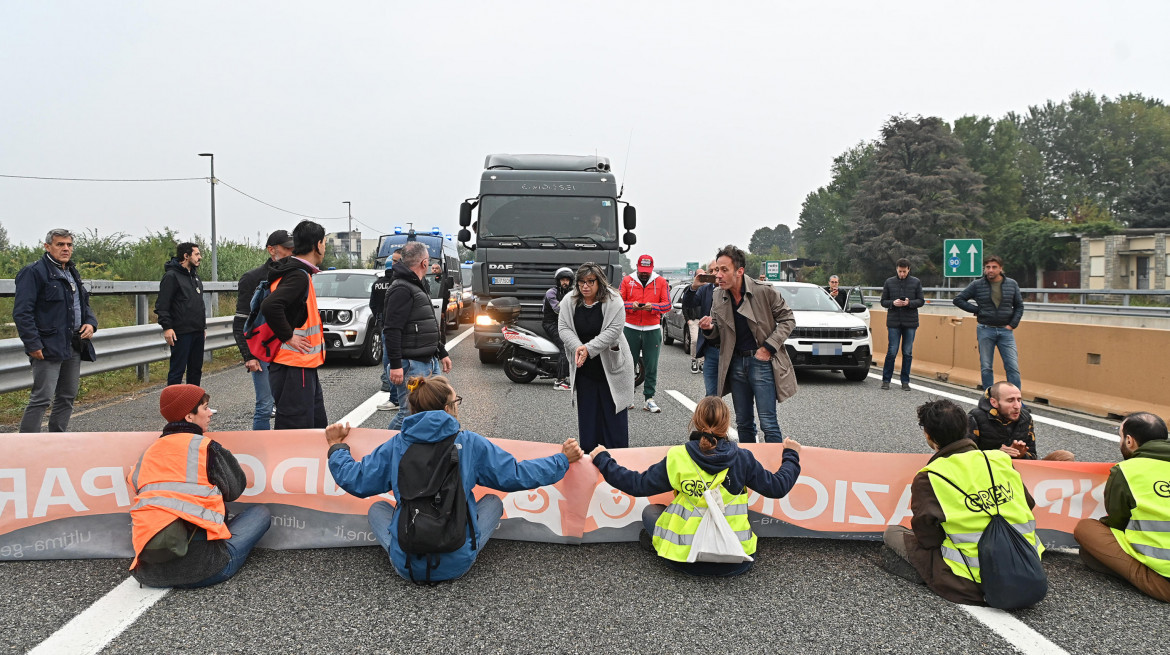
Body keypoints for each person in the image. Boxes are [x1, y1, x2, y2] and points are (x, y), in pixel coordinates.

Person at [326, 375, 583, 583]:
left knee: (378, 508)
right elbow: (517, 475)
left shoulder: (395, 446)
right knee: (492, 501)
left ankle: (406, 546)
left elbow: (356, 480)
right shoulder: (468, 443)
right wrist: (561, 459)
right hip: (459, 561)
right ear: (447, 408)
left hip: (407, 566)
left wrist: (337, 446)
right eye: (456, 400)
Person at [590, 396, 801, 577]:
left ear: (695, 422)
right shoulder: (742, 458)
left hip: (683, 560)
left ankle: (659, 543)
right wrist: (791, 454)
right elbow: (778, 487)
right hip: (737, 560)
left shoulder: (678, 456)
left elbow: (636, 485)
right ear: (726, 425)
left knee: (651, 512)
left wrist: (603, 459)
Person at [880, 399, 1043, 606]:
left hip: (973, 583)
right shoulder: (999, 460)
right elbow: (1028, 504)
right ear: (966, 428)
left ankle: (928, 575)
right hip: (1028, 565)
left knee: (893, 533)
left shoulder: (931, 476)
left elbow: (928, 538)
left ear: (928, 435)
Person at [127, 384, 271, 588]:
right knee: (260, 513)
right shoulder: (205, 448)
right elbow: (235, 489)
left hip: (149, 574)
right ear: (189, 417)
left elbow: (136, 485)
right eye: (205, 408)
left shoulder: (147, 454)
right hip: (207, 570)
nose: (210, 413)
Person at [698, 244, 796, 443]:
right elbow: (718, 333)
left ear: (739, 271)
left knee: (768, 422)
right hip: (735, 363)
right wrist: (709, 329)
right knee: (743, 422)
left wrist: (768, 348)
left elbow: (788, 319)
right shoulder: (719, 295)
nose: (719, 275)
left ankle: (775, 469)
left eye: (725, 270)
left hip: (761, 362)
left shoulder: (764, 291)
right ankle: (749, 467)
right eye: (717, 270)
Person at [1074, 412, 1170, 603]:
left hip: (1164, 578)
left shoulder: (1127, 470)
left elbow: (1117, 522)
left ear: (1129, 441)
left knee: (1087, 532)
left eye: (1120, 437)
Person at [14, 228, 97, 433]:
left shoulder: (71, 271)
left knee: (67, 396)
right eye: (60, 244)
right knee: (42, 398)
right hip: (48, 345)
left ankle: (56, 442)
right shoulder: (34, 272)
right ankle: (26, 446)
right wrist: (33, 344)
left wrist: (90, 322)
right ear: (47, 246)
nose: (66, 249)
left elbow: (83, 304)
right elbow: (22, 312)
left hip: (74, 343)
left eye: (69, 245)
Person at [559, 262, 636, 451]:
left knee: (614, 420)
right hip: (585, 369)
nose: (585, 286)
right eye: (581, 282)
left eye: (590, 282)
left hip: (612, 368)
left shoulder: (613, 299)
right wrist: (578, 347)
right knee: (588, 420)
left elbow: (614, 330)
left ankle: (617, 463)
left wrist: (589, 349)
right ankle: (590, 459)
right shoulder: (569, 301)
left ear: (599, 282)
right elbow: (564, 328)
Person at [260, 220, 328, 429]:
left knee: (314, 425)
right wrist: (288, 336)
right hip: (293, 364)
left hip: (300, 364)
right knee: (297, 429)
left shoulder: (298, 272)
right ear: (317, 244)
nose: (324, 247)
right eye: (324, 242)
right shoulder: (297, 275)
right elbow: (270, 305)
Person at [383, 241, 453, 431]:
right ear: (424, 263)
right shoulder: (402, 288)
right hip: (412, 365)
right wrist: (396, 365)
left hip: (428, 361)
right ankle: (385, 450)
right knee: (409, 414)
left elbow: (424, 325)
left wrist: (441, 352)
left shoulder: (417, 285)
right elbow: (392, 329)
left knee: (437, 407)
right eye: (428, 261)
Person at [231, 230, 294, 430]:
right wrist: (249, 355)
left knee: (290, 406)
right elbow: (241, 320)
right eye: (286, 248)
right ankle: (261, 451)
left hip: (289, 349)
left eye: (293, 248)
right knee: (265, 406)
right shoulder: (252, 278)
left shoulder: (295, 276)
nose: (291, 252)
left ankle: (286, 449)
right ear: (271, 250)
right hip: (262, 352)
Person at [953, 255, 1024, 391]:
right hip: (985, 330)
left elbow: (1019, 306)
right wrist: (977, 310)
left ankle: (1016, 400)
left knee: (1012, 367)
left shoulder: (1012, 284)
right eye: (988, 267)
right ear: (984, 269)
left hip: (1006, 331)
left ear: (1001, 268)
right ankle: (989, 397)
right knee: (986, 366)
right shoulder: (977, 284)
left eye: (994, 267)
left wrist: (1012, 325)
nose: (990, 270)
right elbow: (958, 299)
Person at [968, 382, 1074, 461]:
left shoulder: (1026, 418)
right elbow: (962, 457)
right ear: (994, 402)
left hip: (1019, 472)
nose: (1017, 406)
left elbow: (1033, 456)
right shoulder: (975, 418)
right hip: (988, 474)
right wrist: (997, 454)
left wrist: (1022, 455)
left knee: (1065, 457)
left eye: (1019, 400)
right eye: (1010, 400)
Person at [619, 254, 670, 413]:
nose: (644, 273)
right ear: (637, 266)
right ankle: (628, 398)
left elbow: (667, 304)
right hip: (630, 326)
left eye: (647, 271)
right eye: (641, 270)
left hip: (652, 328)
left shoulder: (661, 282)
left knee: (651, 365)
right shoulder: (627, 280)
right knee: (628, 364)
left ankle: (649, 398)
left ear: (652, 268)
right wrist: (631, 305)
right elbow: (619, 302)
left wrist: (653, 307)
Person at [155, 242, 206, 386]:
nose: (199, 257)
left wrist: (203, 327)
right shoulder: (171, 276)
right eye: (196, 254)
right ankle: (174, 407)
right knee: (177, 370)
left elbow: (199, 303)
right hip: (181, 332)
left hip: (197, 330)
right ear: (186, 256)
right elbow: (162, 305)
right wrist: (167, 327)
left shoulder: (195, 276)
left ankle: (194, 406)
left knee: (196, 370)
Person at [879, 258, 925, 391]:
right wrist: (893, 303)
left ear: (909, 269)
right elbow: (883, 301)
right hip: (894, 321)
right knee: (892, 351)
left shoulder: (916, 282)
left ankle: (905, 381)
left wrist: (909, 303)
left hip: (910, 322)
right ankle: (886, 380)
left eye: (904, 272)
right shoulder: (889, 282)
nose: (902, 274)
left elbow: (921, 301)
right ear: (896, 269)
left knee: (907, 352)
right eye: (900, 271)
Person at [682, 259, 720, 395]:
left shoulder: (733, 290)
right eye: (711, 271)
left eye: (718, 269)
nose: (715, 274)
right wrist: (694, 287)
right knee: (711, 394)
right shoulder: (705, 289)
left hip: (730, 348)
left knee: (738, 393)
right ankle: (712, 416)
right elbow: (688, 303)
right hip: (710, 347)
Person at [373, 248, 403, 410]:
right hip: (397, 326)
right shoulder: (401, 283)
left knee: (389, 358)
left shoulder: (378, 283)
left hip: (386, 325)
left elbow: (373, 305)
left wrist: (379, 320)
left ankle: (392, 390)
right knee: (395, 359)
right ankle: (399, 396)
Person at [542, 267, 575, 390]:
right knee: (565, 346)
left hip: (564, 324)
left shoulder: (573, 293)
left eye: (567, 280)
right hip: (551, 323)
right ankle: (560, 381)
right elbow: (557, 309)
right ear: (558, 281)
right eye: (562, 280)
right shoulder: (551, 292)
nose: (565, 282)